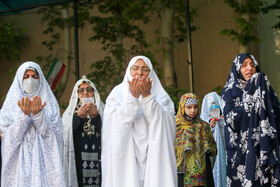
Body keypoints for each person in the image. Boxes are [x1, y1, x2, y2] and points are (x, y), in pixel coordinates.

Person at [101, 55, 177, 187]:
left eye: (145, 69)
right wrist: (133, 97)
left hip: (154, 156)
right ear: (129, 72)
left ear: (151, 73)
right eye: (135, 68)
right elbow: (114, 127)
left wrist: (147, 96)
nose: (139, 72)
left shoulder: (162, 96)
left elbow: (167, 124)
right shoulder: (116, 94)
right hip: (127, 159)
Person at [0, 61, 64, 186]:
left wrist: (39, 115)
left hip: (44, 167)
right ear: (19, 79)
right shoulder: (9, 106)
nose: (30, 80)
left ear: (40, 79)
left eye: (34, 77)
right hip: (18, 166)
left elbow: (56, 137)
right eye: (26, 76)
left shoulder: (50, 104)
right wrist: (23, 116)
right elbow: (8, 141)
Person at [221, 53, 280, 186]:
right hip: (240, 154)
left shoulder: (266, 90)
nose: (249, 68)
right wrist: (250, 98)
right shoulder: (229, 92)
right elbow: (231, 121)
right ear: (237, 69)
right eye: (244, 65)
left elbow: (276, 113)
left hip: (263, 150)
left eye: (252, 65)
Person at [62, 75, 105, 187]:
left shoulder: (103, 110)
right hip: (78, 159)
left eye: (89, 90)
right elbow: (65, 133)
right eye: (81, 90)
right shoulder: (69, 114)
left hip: (98, 157)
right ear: (77, 94)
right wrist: (79, 117)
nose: (85, 93)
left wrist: (96, 116)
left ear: (94, 93)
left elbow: (109, 130)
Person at [175, 93, 217, 187]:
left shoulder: (204, 126)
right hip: (181, 173)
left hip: (202, 173)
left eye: (195, 107)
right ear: (182, 107)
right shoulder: (175, 126)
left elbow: (213, 150)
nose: (193, 110)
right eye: (189, 107)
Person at [200, 91, 226, 187]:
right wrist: (210, 126)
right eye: (211, 105)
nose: (214, 108)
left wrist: (223, 121)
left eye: (216, 104)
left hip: (223, 156)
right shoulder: (201, 124)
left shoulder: (225, 121)